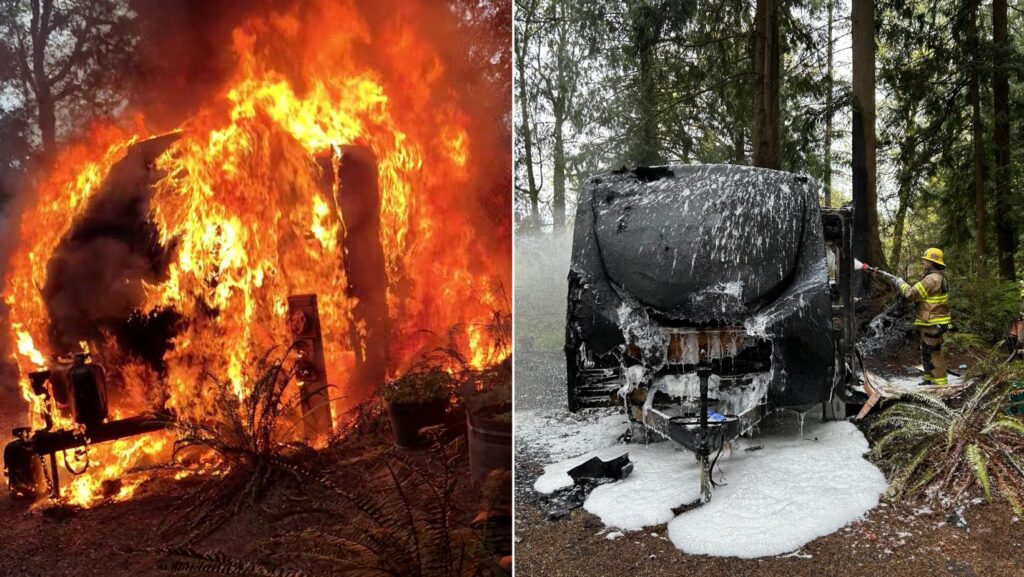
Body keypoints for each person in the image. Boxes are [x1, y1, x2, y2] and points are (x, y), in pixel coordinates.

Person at [894, 248, 951, 386]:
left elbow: (911, 294)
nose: (922, 261)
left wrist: (900, 283)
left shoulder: (931, 279)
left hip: (932, 322)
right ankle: (929, 379)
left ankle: (940, 385)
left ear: (932, 262)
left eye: (925, 259)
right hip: (930, 321)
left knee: (933, 352)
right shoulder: (937, 278)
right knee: (926, 351)